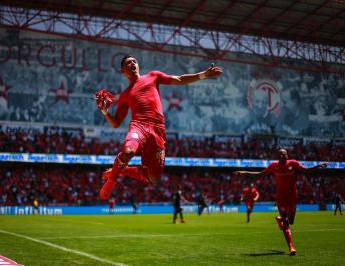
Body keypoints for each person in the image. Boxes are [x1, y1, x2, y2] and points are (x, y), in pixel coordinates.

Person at [97, 54, 223, 200]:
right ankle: (112, 180)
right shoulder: (125, 96)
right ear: (123, 70)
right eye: (128, 63)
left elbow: (180, 79)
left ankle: (122, 170)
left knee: (153, 178)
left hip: (158, 130)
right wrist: (104, 111)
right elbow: (116, 123)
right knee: (128, 151)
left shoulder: (153, 76)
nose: (133, 63)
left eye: (134, 61)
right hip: (139, 126)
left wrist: (203, 75)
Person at [234, 148, 327, 256]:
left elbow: (306, 170)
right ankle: (291, 247)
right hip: (281, 197)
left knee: (291, 221)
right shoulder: (274, 166)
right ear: (278, 156)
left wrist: (317, 166)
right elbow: (261, 174)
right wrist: (245, 172)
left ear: (287, 155)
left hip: (292, 197)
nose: (284, 155)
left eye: (285, 154)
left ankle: (280, 221)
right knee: (286, 222)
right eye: (281, 154)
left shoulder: (293, 163)